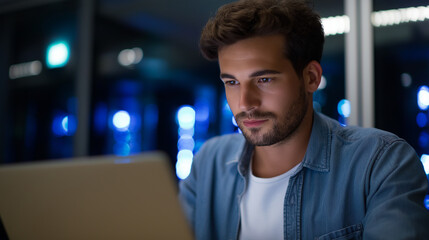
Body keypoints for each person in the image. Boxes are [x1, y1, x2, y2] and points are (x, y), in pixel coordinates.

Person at [178, 0, 429, 239]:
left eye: (264, 80)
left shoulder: (380, 163)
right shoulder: (208, 163)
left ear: (311, 77)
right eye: (232, 82)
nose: (245, 103)